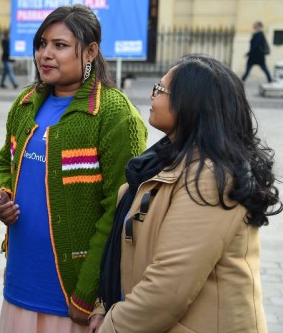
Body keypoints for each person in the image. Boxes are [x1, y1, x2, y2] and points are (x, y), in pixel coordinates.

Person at [94, 54, 281, 333]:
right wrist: (103, 305)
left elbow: (168, 288)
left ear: (191, 103)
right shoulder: (166, 160)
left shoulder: (211, 176)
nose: (151, 94)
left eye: (160, 90)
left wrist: (112, 325)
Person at [0, 4, 148, 332]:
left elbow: (118, 211)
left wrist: (87, 294)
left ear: (90, 52)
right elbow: (6, 160)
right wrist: (1, 192)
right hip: (20, 282)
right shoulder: (26, 102)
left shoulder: (115, 115)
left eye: (60, 46)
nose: (45, 54)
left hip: (73, 296)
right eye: (41, 44)